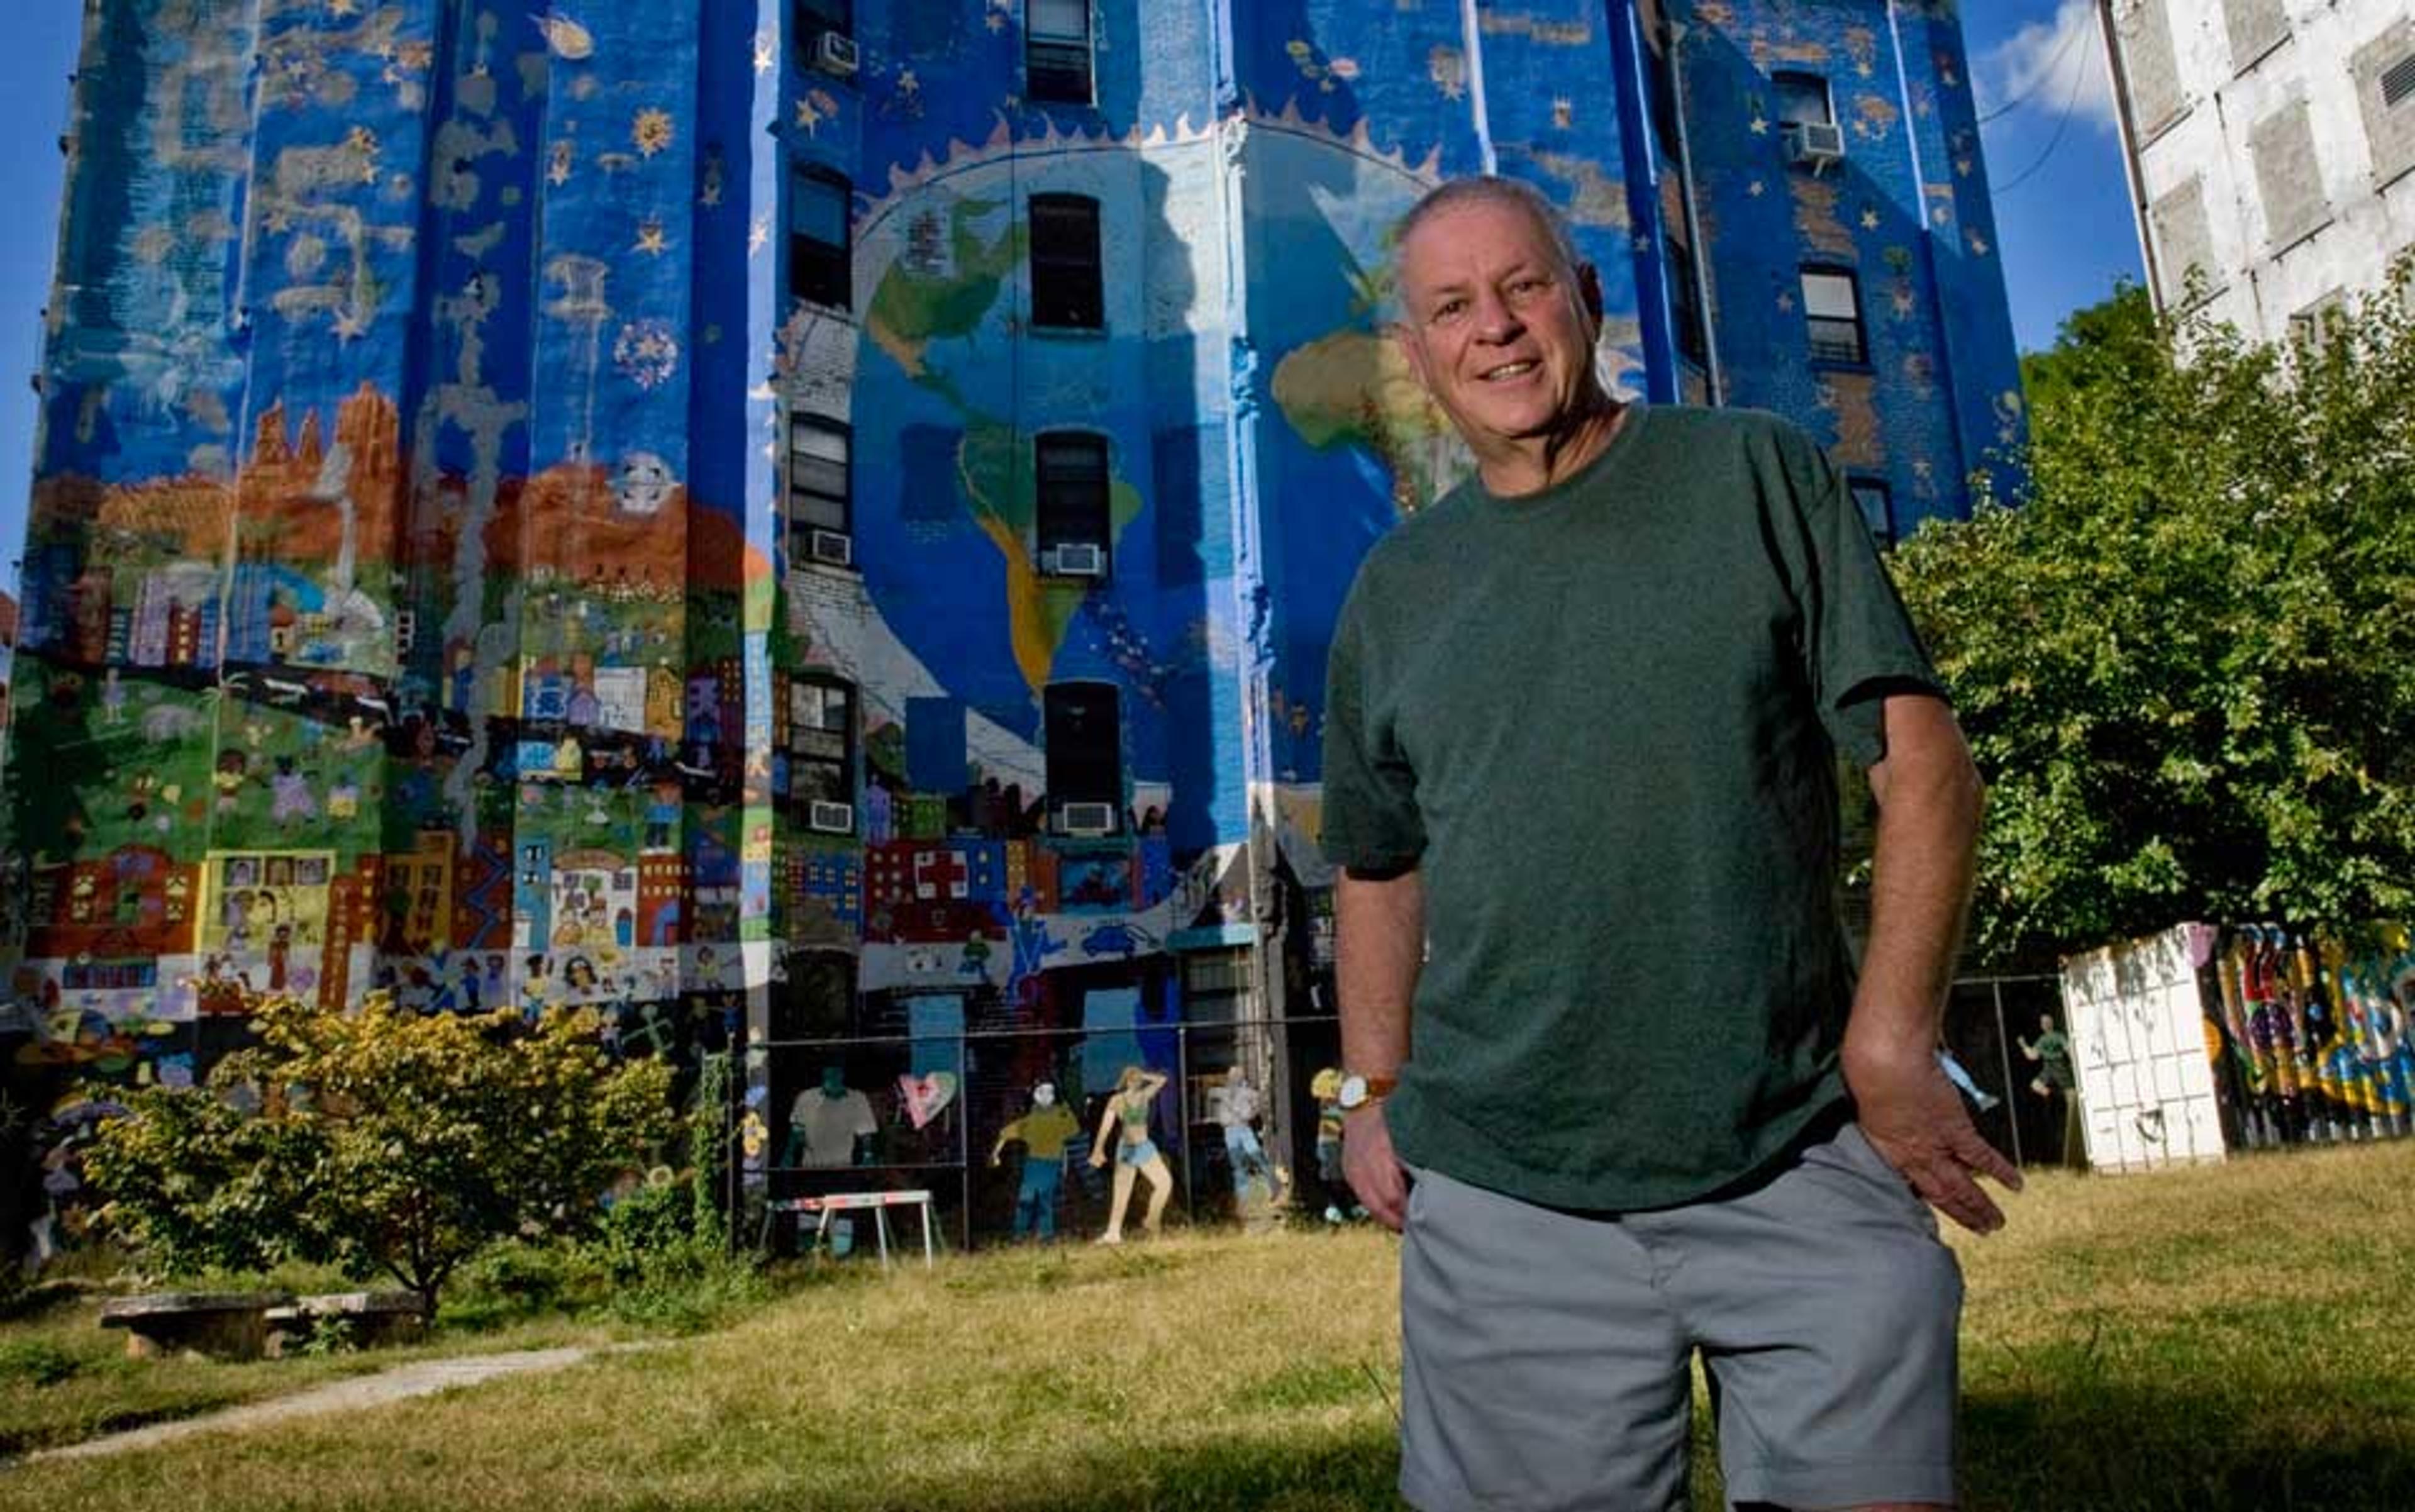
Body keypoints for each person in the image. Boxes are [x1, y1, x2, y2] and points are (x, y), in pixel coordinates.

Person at [1321, 175, 2019, 1512]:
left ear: (1586, 299)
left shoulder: (1752, 471)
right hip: (1506, 1195)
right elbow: (1379, 859)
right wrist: (1370, 1087)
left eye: (1526, 286)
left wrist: (1887, 1043)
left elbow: (1923, 764)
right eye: (1454, 307)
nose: (1500, 330)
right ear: (1417, 358)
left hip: (1796, 1147)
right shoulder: (1395, 592)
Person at [1087, 1065, 1172, 1243]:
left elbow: (1162, 1081)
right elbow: (1106, 1126)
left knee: (1165, 1183)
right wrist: (1098, 1149)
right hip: (1127, 1149)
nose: (1136, 1082)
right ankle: (1113, 1233)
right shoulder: (1117, 1100)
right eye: (1132, 1079)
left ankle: (1151, 1220)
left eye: (1138, 1079)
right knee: (1122, 1193)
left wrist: (1145, 1074)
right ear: (1126, 1081)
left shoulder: (1145, 1095)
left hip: (1145, 1147)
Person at [990, 1079, 1080, 1240]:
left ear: (1054, 1095)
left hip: (1051, 1163)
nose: (1046, 1096)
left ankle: (1045, 1235)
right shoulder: (1030, 1119)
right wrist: (995, 1154)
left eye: (1050, 1092)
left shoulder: (1061, 1113)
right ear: (1035, 1095)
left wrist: (1067, 1108)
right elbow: (1006, 1134)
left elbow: (1073, 1129)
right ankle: (1021, 1234)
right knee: (1027, 1199)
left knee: (1044, 1199)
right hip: (1034, 1163)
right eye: (1041, 1092)